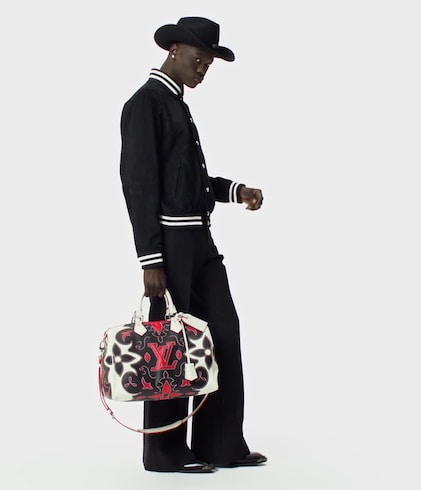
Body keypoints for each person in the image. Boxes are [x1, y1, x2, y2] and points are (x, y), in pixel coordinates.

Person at [119, 16, 266, 473]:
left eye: (208, 65)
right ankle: (164, 453)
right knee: (169, 346)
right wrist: (150, 259)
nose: (203, 69)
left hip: (200, 242)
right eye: (199, 60)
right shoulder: (145, 104)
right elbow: (139, 185)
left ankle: (221, 445)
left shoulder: (177, 105)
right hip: (169, 247)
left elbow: (191, 182)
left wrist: (235, 191)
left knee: (223, 332)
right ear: (174, 50)